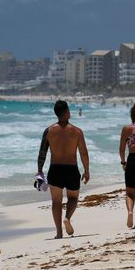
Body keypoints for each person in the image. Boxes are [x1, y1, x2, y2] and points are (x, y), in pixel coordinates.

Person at [36, 100, 90, 239]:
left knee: (56, 202)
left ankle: (59, 232)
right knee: (73, 198)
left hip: (55, 169)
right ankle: (67, 218)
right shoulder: (77, 131)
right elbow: (83, 152)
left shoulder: (49, 131)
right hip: (72, 169)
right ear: (67, 112)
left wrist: (40, 170)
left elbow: (42, 152)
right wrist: (87, 170)